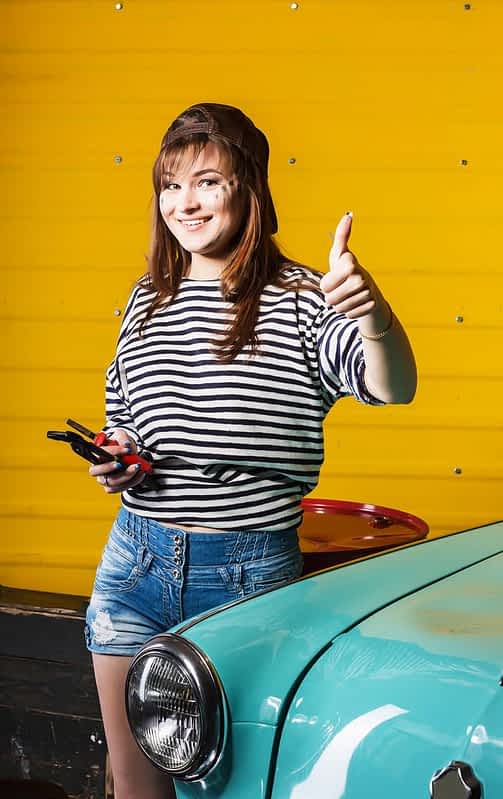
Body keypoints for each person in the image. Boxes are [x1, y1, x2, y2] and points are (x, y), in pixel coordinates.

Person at [84, 102, 417, 799]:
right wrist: (117, 458)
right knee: (135, 790)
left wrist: (373, 315)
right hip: (133, 564)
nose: (185, 202)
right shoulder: (147, 298)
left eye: (208, 180)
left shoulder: (302, 297)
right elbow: (127, 423)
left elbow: (392, 387)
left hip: (246, 577)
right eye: (169, 185)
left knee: (233, 789)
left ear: (251, 188)